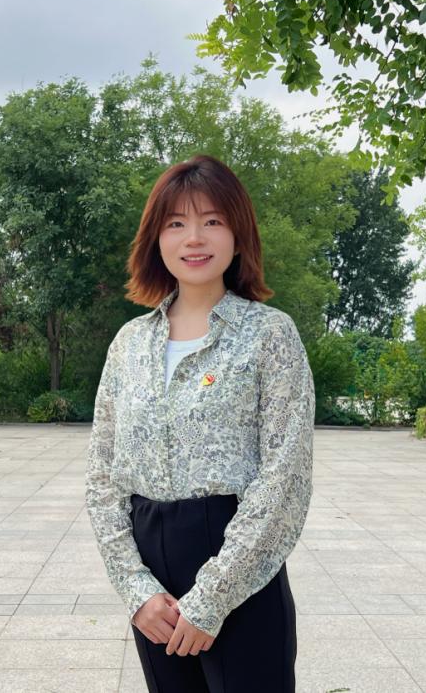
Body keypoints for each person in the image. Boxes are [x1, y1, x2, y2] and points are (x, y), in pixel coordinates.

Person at [85, 154, 314, 693]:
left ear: (238, 235)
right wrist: (136, 590)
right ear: (156, 238)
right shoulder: (128, 344)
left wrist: (212, 598)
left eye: (212, 221)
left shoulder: (269, 335)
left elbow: (285, 477)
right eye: (176, 223)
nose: (194, 238)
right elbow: (102, 477)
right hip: (154, 585)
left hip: (240, 567)